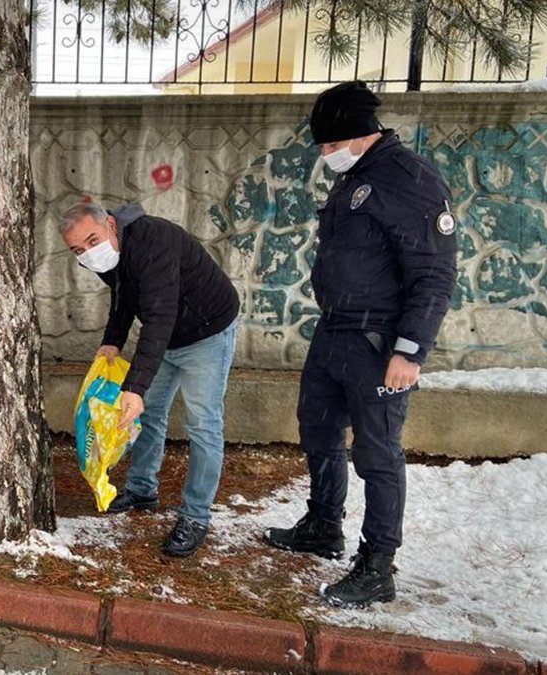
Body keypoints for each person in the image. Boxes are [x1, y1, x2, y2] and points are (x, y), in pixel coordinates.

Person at [262, 81, 458, 608]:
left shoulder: (409, 179)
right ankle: (324, 524)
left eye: (331, 145)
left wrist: (410, 350)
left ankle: (377, 565)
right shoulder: (358, 175)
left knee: (377, 453)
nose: (326, 155)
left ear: (362, 134)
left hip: (379, 341)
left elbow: (434, 274)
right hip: (336, 330)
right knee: (317, 427)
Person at [60, 201, 241, 558]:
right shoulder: (112, 252)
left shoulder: (154, 241)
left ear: (111, 224)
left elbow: (158, 315)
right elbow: (124, 294)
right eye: (78, 250)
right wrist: (112, 339)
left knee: (203, 424)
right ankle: (142, 489)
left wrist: (135, 387)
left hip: (207, 331)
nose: (89, 254)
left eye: (93, 240)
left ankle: (196, 515)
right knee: (147, 416)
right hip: (166, 338)